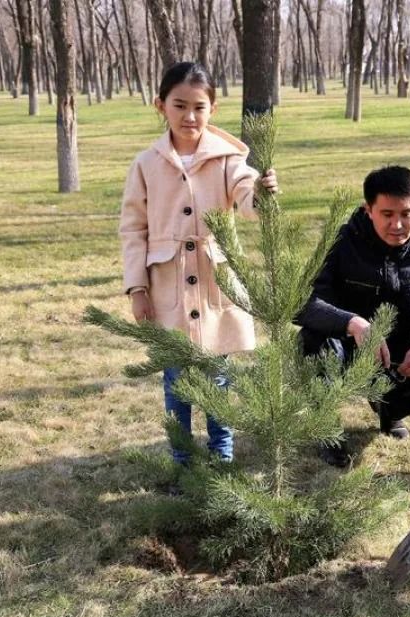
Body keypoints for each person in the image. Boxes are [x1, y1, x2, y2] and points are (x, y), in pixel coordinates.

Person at [119, 61, 278, 464]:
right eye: (180, 105)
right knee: (177, 381)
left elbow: (246, 196)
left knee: (218, 378)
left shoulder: (227, 158)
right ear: (161, 106)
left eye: (199, 107)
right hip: (167, 286)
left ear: (213, 109)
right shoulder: (145, 163)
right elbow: (133, 229)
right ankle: (183, 462)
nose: (190, 116)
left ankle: (222, 457)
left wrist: (259, 192)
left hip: (213, 284)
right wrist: (138, 288)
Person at [295, 165, 410, 467]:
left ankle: (391, 408)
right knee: (311, 342)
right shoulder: (341, 242)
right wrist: (352, 323)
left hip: (398, 352)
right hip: (345, 345)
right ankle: (327, 430)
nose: (397, 224)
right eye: (387, 214)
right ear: (369, 209)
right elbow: (303, 304)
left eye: (406, 214)